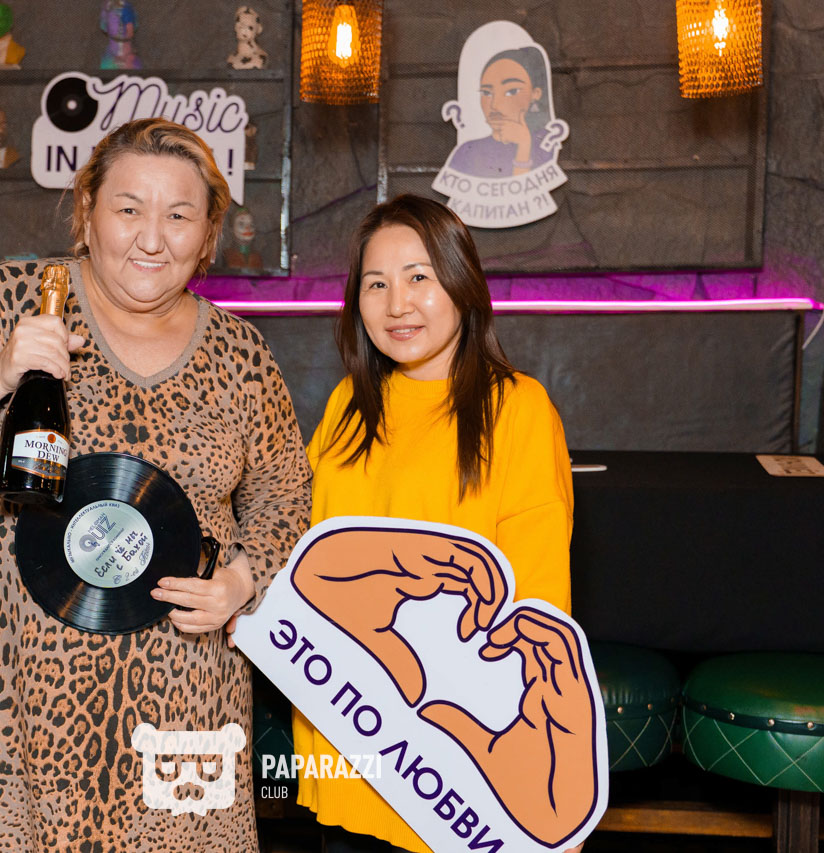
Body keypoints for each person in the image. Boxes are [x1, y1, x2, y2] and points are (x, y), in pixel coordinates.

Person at [0, 117, 311, 851]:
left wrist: (241, 581)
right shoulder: (12, 300)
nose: (152, 238)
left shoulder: (239, 354)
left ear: (209, 234)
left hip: (181, 700)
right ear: (87, 211)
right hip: (7, 701)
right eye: (129, 208)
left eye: (179, 215)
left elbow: (285, 494)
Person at [291, 194, 578, 853]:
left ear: (461, 282)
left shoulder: (519, 409)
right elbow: (303, 548)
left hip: (452, 755)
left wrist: (547, 767)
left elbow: (540, 604)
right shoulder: (348, 403)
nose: (397, 304)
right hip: (347, 727)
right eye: (376, 284)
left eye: (418, 276)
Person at [447, 47, 557, 179]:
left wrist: (524, 147)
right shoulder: (467, 152)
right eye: (486, 93)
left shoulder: (548, 144)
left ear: (535, 94)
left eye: (512, 91)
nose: (494, 105)